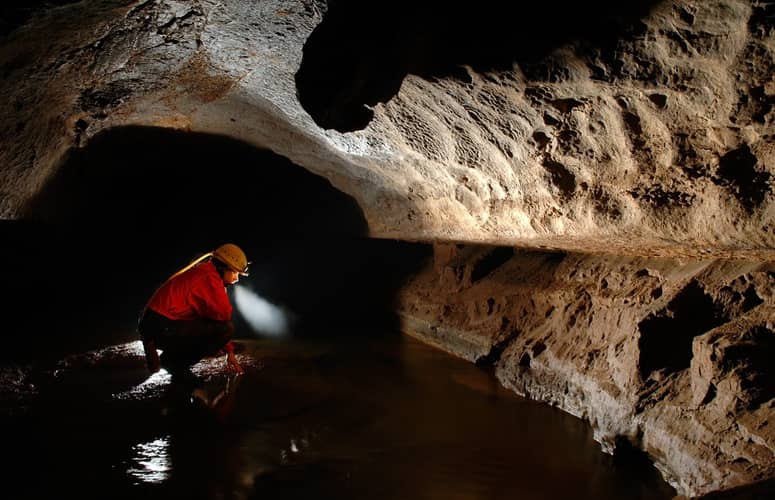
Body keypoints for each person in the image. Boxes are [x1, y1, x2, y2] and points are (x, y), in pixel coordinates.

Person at [138, 243, 249, 378]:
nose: (236, 278)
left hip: (154, 323)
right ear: (222, 267)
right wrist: (225, 348)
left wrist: (229, 351)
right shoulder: (210, 279)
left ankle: (167, 355)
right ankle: (174, 363)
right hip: (161, 325)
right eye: (235, 272)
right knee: (226, 329)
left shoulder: (205, 271)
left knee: (214, 328)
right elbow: (223, 315)